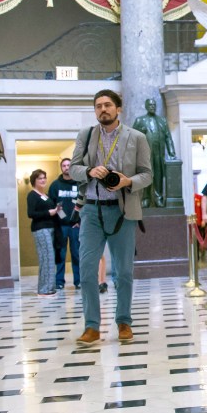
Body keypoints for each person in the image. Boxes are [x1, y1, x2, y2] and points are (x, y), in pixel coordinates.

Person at [70, 89, 153, 346]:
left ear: (118, 109)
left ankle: (124, 322)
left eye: (107, 105)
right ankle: (92, 326)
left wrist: (128, 181)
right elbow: (73, 169)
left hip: (122, 211)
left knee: (124, 272)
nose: (102, 110)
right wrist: (89, 170)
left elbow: (147, 174)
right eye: (98, 106)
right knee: (86, 271)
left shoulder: (137, 137)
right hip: (91, 211)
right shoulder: (85, 135)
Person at [132, 97, 176, 208]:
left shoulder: (162, 121)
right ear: (146, 106)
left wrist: (172, 154)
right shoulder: (140, 120)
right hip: (145, 155)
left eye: (154, 105)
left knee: (158, 177)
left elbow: (168, 138)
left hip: (159, 154)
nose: (152, 107)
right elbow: (132, 138)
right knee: (146, 176)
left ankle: (158, 198)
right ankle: (145, 198)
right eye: (150, 105)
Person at [48, 157, 83, 290]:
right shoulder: (55, 185)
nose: (66, 167)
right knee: (60, 254)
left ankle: (78, 281)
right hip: (61, 226)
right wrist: (63, 218)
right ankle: (59, 281)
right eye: (64, 165)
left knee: (76, 254)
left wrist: (77, 221)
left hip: (76, 226)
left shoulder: (79, 184)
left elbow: (83, 204)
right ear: (61, 168)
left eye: (69, 165)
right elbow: (52, 204)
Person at [25, 169, 57, 297]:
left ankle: (50, 287)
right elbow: (31, 213)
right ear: (34, 181)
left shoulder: (46, 195)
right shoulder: (32, 195)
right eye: (40, 178)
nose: (43, 180)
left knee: (50, 257)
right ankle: (44, 289)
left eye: (44, 177)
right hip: (40, 228)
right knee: (46, 257)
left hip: (50, 227)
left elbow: (55, 210)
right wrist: (48, 213)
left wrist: (60, 213)